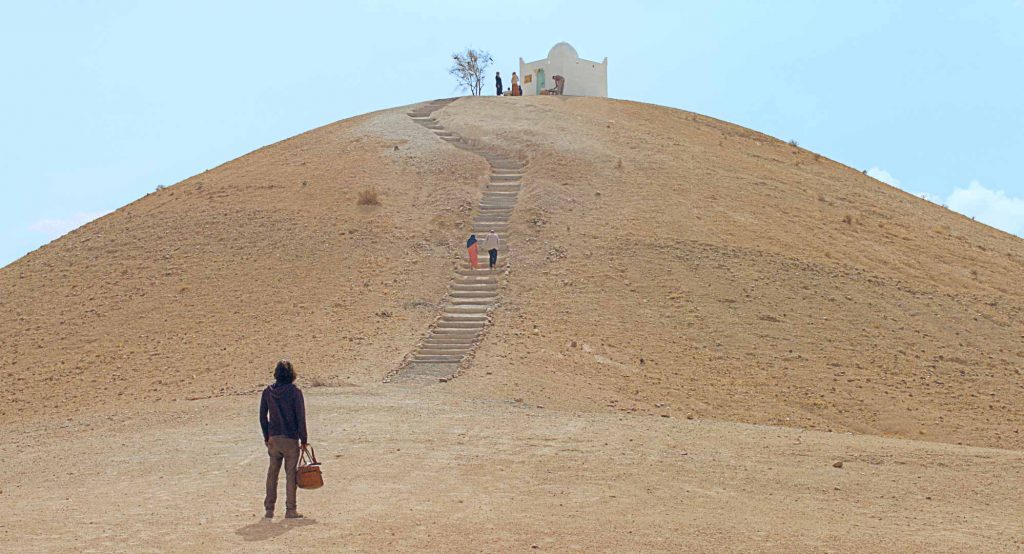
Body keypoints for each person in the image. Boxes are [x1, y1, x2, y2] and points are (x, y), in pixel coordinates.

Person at [259, 360, 308, 519]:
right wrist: (304, 438)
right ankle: (290, 510)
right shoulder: (295, 392)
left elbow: (262, 416)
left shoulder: (268, 392)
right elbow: (300, 417)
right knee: (290, 475)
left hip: (274, 438)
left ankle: (269, 509)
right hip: (290, 438)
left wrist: (267, 436)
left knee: (272, 473)